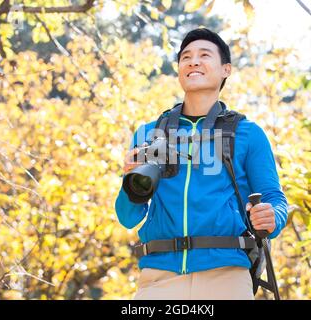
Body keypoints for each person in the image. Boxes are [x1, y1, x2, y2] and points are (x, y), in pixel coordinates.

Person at [114, 28, 288, 300]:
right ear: (179, 70)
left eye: (204, 55)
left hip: (227, 274)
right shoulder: (149, 133)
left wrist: (272, 217)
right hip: (158, 277)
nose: (193, 61)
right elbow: (128, 217)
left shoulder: (248, 133)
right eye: (186, 57)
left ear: (226, 69)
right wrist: (130, 184)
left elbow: (274, 198)